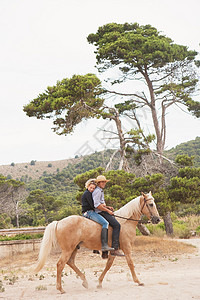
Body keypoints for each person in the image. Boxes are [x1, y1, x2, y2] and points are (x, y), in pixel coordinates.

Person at [92, 175, 125, 257]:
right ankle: (115, 249)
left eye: (104, 182)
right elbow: (96, 205)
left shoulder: (100, 191)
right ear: (98, 183)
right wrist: (108, 211)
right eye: (102, 182)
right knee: (117, 225)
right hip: (100, 212)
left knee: (111, 225)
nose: (104, 183)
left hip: (102, 211)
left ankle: (105, 251)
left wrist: (107, 207)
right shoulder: (98, 191)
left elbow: (100, 203)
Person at [81, 178, 114, 252]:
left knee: (99, 225)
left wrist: (106, 206)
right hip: (89, 212)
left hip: (89, 211)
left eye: (93, 188)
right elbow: (95, 205)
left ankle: (95, 248)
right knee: (105, 223)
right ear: (87, 186)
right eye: (91, 188)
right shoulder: (87, 194)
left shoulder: (88, 193)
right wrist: (106, 209)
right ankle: (104, 245)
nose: (92, 189)